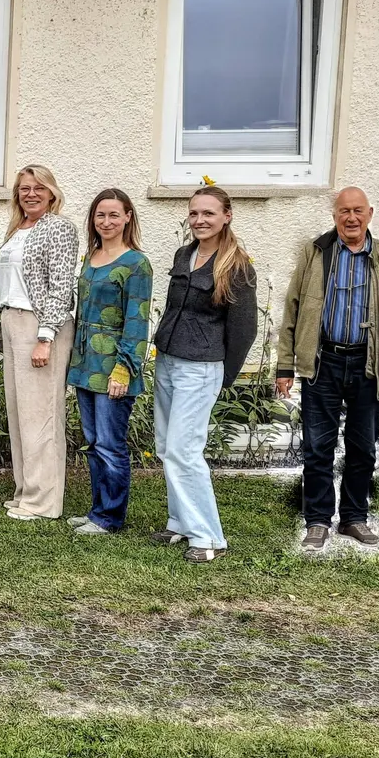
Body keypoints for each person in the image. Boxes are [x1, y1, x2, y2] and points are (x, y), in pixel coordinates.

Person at [277, 186, 379, 550]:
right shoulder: (316, 254)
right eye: (344, 211)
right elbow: (293, 309)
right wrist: (285, 366)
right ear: (335, 216)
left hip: (368, 365)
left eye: (358, 211)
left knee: (363, 447)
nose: (351, 218)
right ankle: (318, 520)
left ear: (370, 214)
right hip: (322, 361)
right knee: (317, 447)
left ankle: (354, 518)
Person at [153, 186, 258, 563]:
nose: (199, 220)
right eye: (194, 213)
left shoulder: (237, 266)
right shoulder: (185, 254)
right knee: (166, 447)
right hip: (168, 360)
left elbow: (244, 330)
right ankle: (180, 522)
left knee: (184, 450)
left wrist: (222, 376)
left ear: (226, 216)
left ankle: (208, 537)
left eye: (208, 213)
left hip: (201, 368)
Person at [66, 189, 152, 536]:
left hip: (114, 367)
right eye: (100, 215)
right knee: (93, 442)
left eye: (114, 215)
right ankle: (97, 510)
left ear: (128, 217)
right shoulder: (92, 256)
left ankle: (110, 517)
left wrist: (123, 368)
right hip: (86, 364)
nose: (106, 221)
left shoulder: (136, 264)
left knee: (110, 445)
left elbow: (137, 321)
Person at [0, 164, 79, 522]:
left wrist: (46, 336)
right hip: (13, 322)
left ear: (51, 192)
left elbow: (62, 286)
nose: (30, 194)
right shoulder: (17, 229)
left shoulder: (58, 227)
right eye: (24, 188)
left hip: (41, 326)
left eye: (38, 188)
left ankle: (43, 502)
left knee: (41, 416)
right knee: (20, 415)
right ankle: (25, 491)